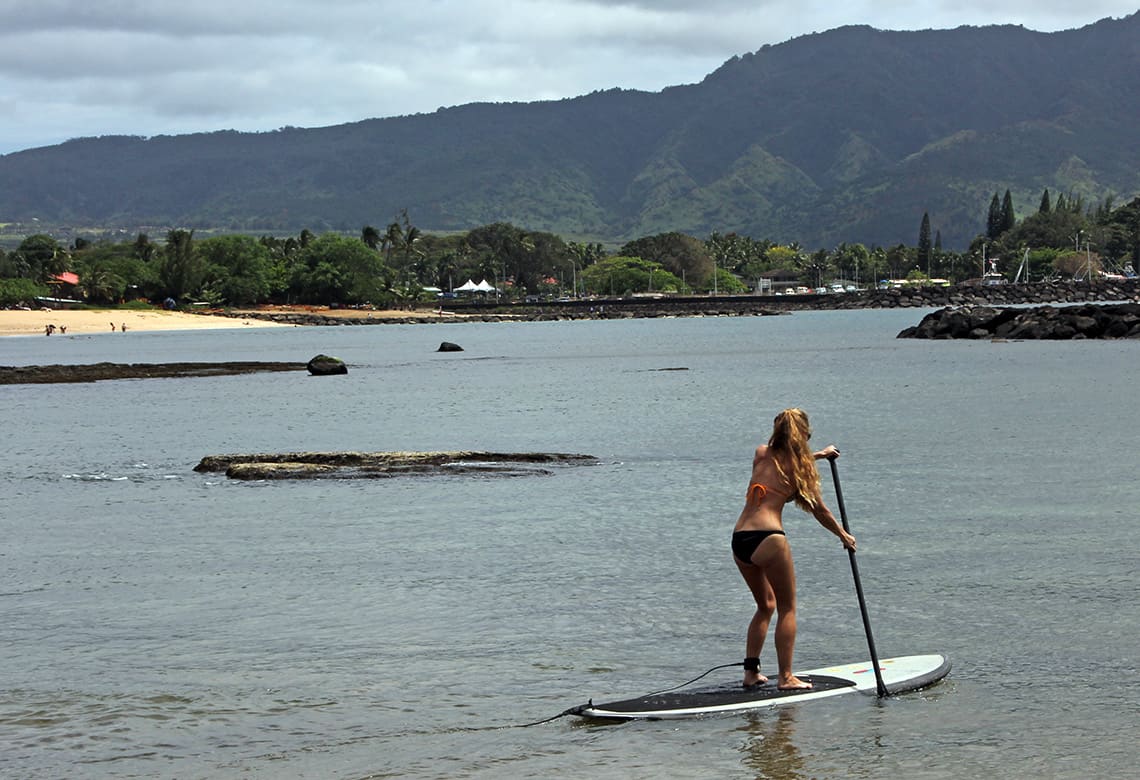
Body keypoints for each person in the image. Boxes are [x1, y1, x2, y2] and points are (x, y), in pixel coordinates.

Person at [731, 408, 856, 690]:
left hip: (740, 539)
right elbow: (820, 510)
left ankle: (751, 673)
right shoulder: (800, 469)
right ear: (804, 434)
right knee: (787, 608)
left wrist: (820, 456)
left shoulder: (761, 452)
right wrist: (843, 535)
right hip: (769, 537)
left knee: (765, 606)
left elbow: (781, 463)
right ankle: (786, 677)